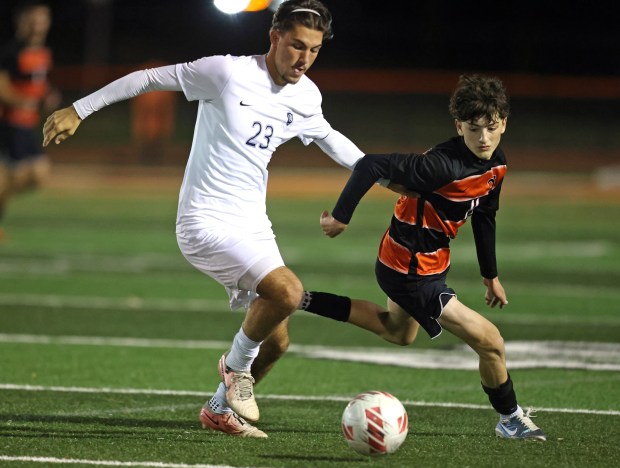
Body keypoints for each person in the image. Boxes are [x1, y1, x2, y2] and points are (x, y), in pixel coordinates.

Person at [42, 0, 401, 439]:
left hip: (253, 225)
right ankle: (233, 370)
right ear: (274, 37)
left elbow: (332, 140)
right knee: (288, 291)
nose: (303, 58)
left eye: (314, 49)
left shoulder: (306, 95)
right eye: (296, 45)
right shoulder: (225, 72)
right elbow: (149, 78)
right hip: (204, 222)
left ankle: (217, 409)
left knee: (278, 340)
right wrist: (80, 109)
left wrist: (388, 177)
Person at [317, 74, 546, 441]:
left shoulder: (495, 163)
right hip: (410, 270)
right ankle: (510, 417)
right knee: (490, 341)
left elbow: (485, 215)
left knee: (398, 332)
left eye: (491, 127)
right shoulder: (442, 166)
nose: (483, 138)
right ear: (459, 126)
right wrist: (341, 217)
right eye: (473, 130)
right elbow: (371, 165)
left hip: (417, 261)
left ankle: (304, 299)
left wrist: (491, 275)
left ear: (504, 122)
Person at [0, 1, 57, 242]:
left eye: (43, 19)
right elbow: (2, 86)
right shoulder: (11, 52)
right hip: (10, 123)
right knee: (37, 174)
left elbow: (37, 84)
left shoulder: (44, 53)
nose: (39, 25)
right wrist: (20, 101)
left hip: (26, 124)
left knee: (23, 178)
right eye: (35, 19)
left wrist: (48, 94)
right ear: (23, 22)